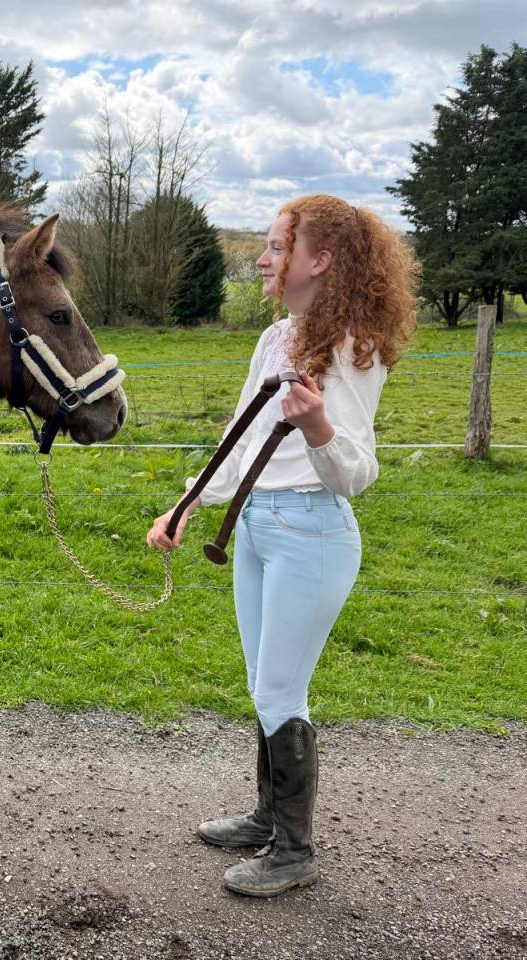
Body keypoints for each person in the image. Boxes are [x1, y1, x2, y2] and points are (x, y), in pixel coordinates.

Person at [146, 194, 417, 897]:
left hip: (313, 533)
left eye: (276, 247)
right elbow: (234, 447)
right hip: (258, 530)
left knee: (278, 688)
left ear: (318, 259)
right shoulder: (275, 339)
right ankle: (270, 817)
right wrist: (183, 504)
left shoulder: (353, 345)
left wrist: (321, 428)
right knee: (262, 686)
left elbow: (356, 472)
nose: (263, 260)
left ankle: (295, 852)